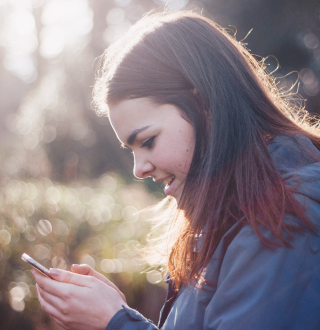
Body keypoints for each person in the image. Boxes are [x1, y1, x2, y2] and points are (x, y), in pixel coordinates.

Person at [32, 10, 320, 330]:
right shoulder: (235, 213)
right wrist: (115, 314)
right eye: (132, 150)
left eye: (148, 140)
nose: (139, 169)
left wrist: (114, 322)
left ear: (204, 106)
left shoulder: (283, 220)